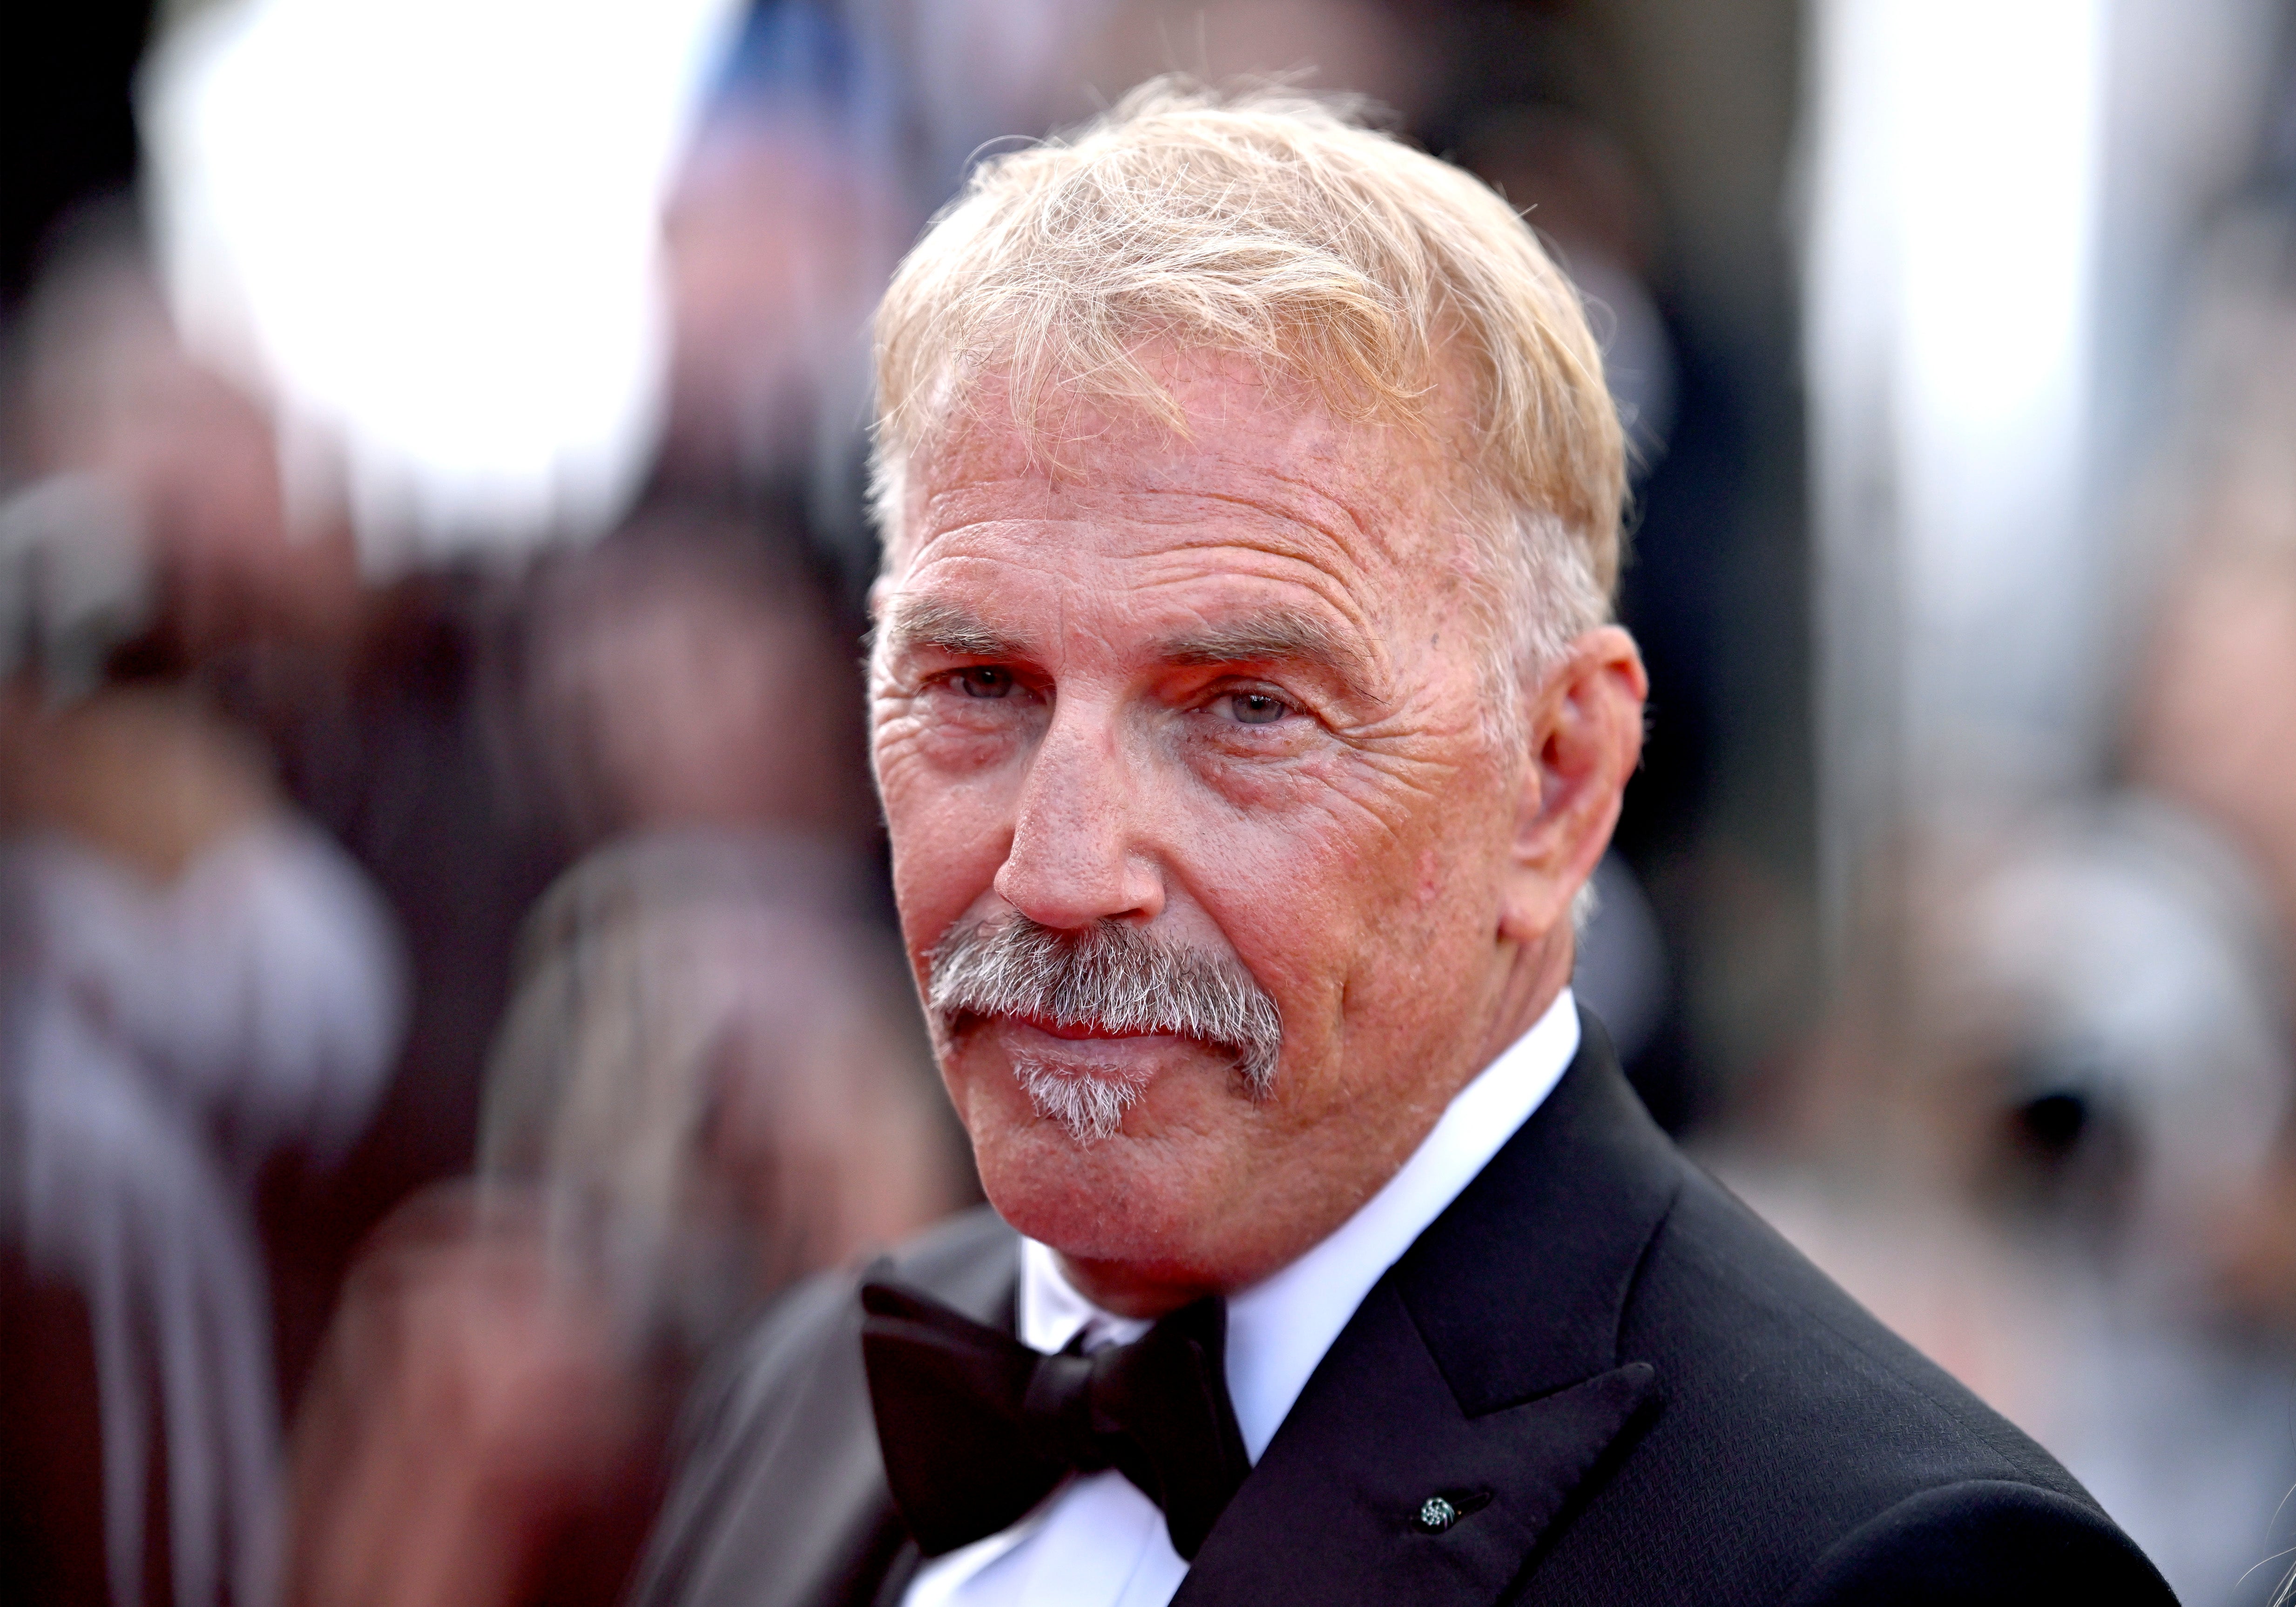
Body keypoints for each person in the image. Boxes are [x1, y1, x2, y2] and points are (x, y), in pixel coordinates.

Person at [629, 81, 2174, 1607]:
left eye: (1244, 708)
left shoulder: (1897, 1576)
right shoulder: (806, 1400)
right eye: (979, 685)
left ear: (1560, 780)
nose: (1059, 866)